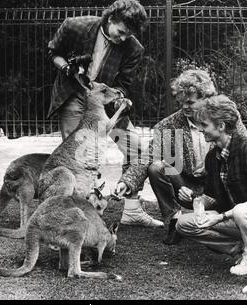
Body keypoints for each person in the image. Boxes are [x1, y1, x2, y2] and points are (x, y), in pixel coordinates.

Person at [47, 0, 162, 227]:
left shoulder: (133, 48)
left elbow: (123, 84)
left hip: (105, 102)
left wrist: (118, 97)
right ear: (111, 19)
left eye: (127, 35)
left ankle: (132, 210)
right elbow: (53, 52)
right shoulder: (75, 26)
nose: (122, 38)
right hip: (74, 95)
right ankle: (76, 216)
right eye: (120, 32)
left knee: (136, 147)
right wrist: (65, 67)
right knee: (79, 158)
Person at [175, 95, 247, 295]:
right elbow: (214, 195)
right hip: (240, 218)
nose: (201, 128)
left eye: (204, 124)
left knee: (242, 211)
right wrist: (197, 200)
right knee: (184, 223)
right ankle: (244, 249)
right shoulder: (213, 157)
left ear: (221, 126)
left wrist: (220, 217)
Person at [115, 69, 247, 242]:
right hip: (184, 184)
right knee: (157, 168)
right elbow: (149, 155)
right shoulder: (170, 124)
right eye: (181, 102)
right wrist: (128, 181)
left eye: (190, 102)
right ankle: (174, 220)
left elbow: (244, 146)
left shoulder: (225, 116)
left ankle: (230, 217)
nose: (185, 106)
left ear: (205, 98)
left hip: (217, 183)